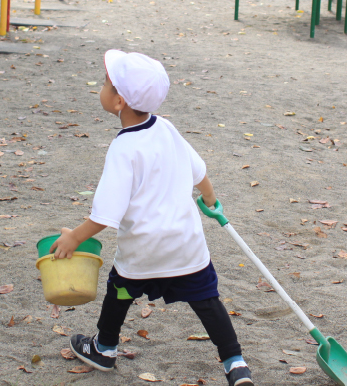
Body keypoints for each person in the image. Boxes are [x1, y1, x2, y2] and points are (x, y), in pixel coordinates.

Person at [50, 50, 253, 386]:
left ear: (119, 103)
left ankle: (104, 348)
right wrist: (210, 199)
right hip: (185, 247)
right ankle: (235, 362)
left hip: (142, 255)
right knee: (206, 300)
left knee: (121, 292)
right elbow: (199, 172)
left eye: (105, 84)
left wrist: (75, 237)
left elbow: (106, 215)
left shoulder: (123, 148)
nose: (100, 88)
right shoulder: (167, 128)